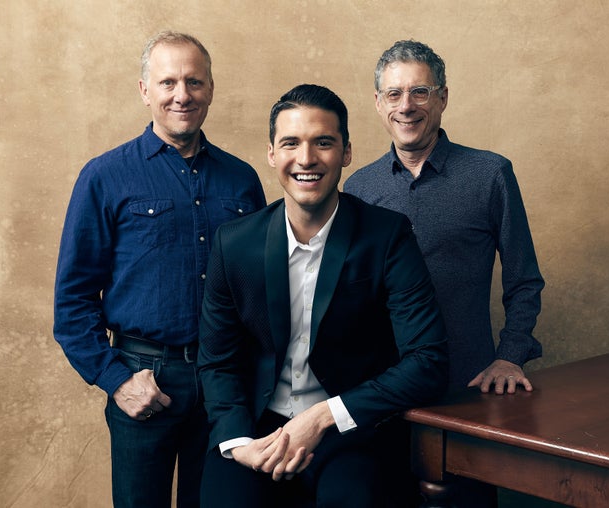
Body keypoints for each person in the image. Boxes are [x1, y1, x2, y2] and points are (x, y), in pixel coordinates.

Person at [197, 84, 449, 507]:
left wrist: (322, 417)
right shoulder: (232, 245)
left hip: (352, 430)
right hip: (258, 427)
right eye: (291, 143)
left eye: (324, 143)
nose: (307, 159)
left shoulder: (387, 236)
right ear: (272, 154)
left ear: (346, 152)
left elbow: (428, 362)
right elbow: (218, 362)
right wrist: (240, 443)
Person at [53, 31, 266, 508]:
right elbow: (73, 302)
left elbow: (261, 291)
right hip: (143, 374)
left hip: (224, 382)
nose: (182, 95)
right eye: (168, 82)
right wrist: (116, 380)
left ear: (211, 89)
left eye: (194, 82)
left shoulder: (243, 179)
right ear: (145, 90)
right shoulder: (104, 176)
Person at [344, 40, 544, 396]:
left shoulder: (490, 175)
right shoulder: (359, 187)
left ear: (443, 98)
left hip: (466, 383)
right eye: (393, 94)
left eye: (420, 92)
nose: (406, 106)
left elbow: (524, 279)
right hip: (379, 389)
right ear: (378, 102)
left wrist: (511, 356)